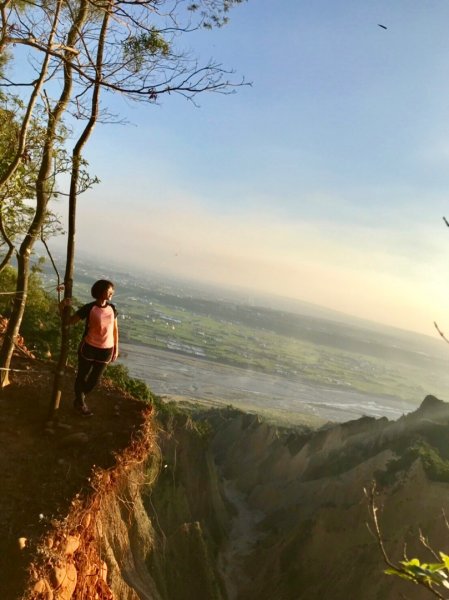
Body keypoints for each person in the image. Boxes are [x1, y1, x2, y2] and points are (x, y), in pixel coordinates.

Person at [63, 279, 119, 416]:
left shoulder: (112, 308)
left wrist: (116, 349)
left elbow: (115, 330)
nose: (112, 292)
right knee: (82, 376)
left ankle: (79, 399)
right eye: (109, 289)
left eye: (112, 290)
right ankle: (81, 404)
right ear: (100, 291)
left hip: (106, 349)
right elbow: (70, 321)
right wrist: (62, 306)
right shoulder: (89, 308)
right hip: (89, 347)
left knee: (95, 380)